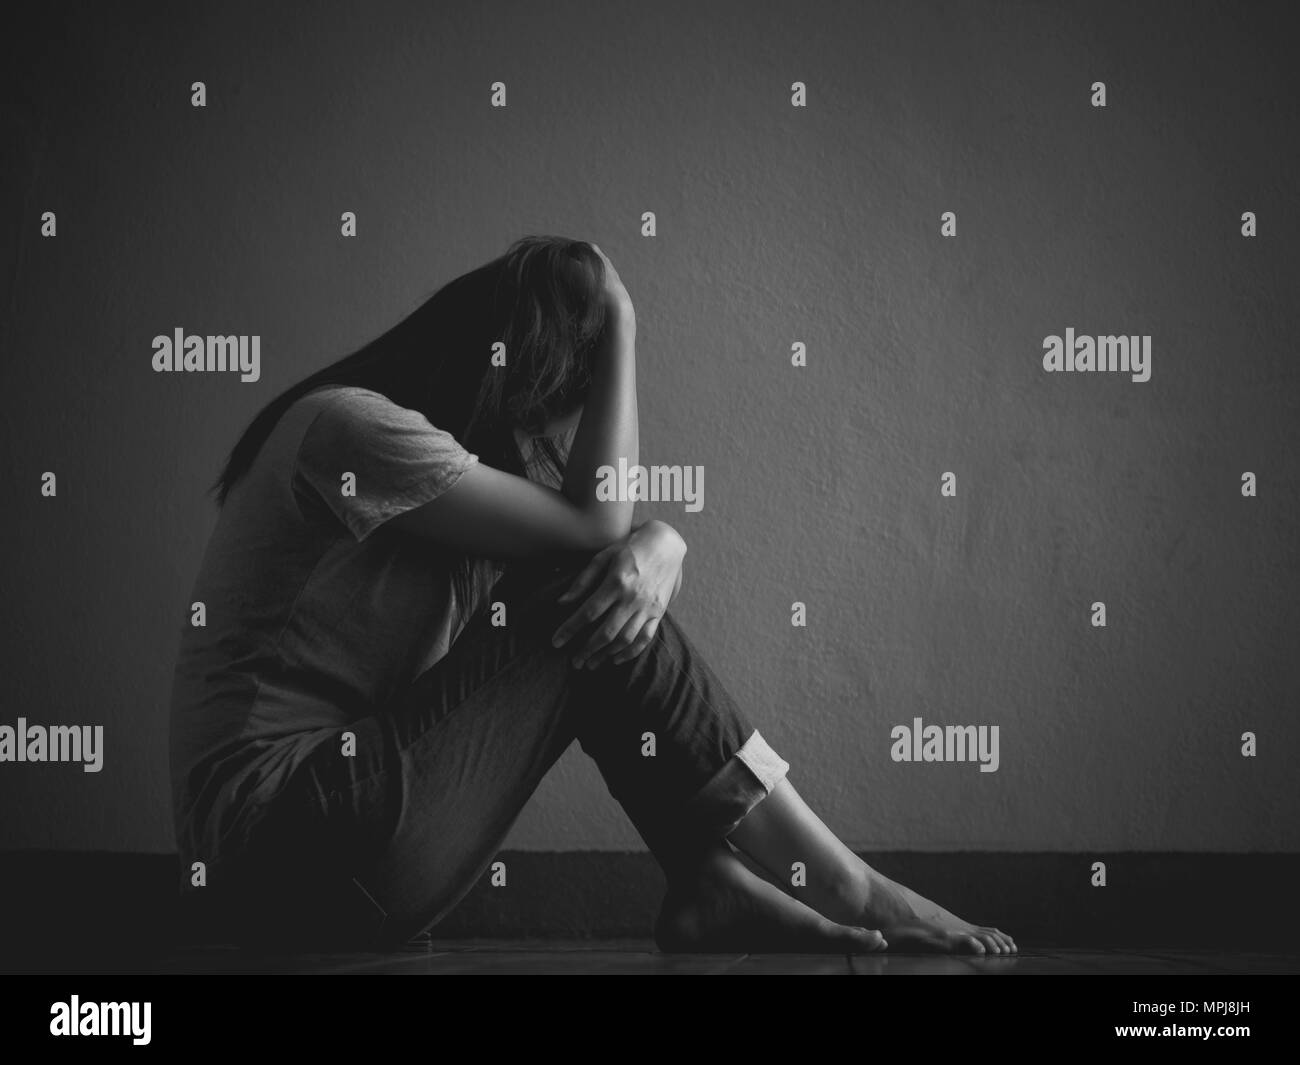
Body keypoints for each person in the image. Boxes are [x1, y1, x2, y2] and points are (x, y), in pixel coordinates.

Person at [169, 235, 1016, 955]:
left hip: (332, 876)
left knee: (592, 593)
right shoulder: (352, 428)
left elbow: (596, 536)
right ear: (506, 386)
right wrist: (621, 317)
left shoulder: (452, 507)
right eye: (552, 421)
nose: (551, 452)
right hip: (276, 847)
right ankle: (844, 882)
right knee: (587, 586)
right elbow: (598, 524)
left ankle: (707, 879)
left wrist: (659, 541)